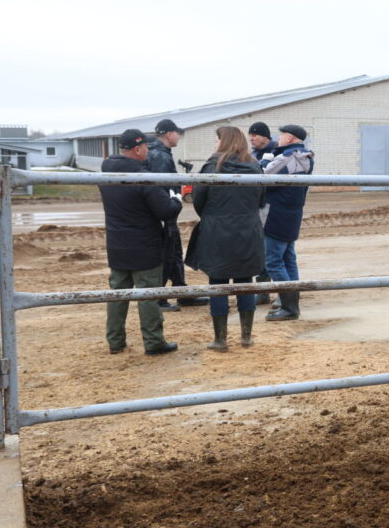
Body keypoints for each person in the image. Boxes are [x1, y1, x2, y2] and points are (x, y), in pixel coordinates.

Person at [99, 129, 183, 355]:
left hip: (117, 244)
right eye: (146, 147)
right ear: (137, 149)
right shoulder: (142, 176)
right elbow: (165, 211)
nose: (149, 150)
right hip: (144, 246)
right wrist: (177, 198)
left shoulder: (106, 170)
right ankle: (154, 342)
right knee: (147, 295)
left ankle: (115, 341)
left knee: (117, 295)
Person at [185, 126, 267, 351]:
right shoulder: (255, 167)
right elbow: (262, 199)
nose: (214, 144)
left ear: (223, 141)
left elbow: (199, 201)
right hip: (248, 231)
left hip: (217, 232)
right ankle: (246, 337)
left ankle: (220, 339)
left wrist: (214, 216)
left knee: (218, 284)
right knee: (245, 282)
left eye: (216, 140)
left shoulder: (212, 166)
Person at [146, 118, 208, 311]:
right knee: (167, 254)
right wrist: (168, 209)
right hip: (165, 213)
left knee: (174, 253)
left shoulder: (160, 153)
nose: (179, 136)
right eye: (177, 133)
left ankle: (181, 292)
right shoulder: (160, 156)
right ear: (168, 133)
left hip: (168, 212)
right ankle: (160, 298)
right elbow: (160, 188)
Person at [261, 124, 314, 321]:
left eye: (282, 135)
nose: (279, 138)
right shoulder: (305, 157)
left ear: (290, 138)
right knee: (288, 259)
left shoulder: (289, 157)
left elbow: (263, 177)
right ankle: (290, 304)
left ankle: (289, 307)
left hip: (276, 214)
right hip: (291, 214)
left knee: (274, 262)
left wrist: (261, 162)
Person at [248, 121, 278, 305]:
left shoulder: (275, 153)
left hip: (269, 206)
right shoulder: (253, 154)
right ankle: (263, 288)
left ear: (265, 136)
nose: (251, 138)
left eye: (255, 135)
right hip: (256, 205)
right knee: (259, 247)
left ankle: (272, 289)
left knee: (271, 249)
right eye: (250, 135)